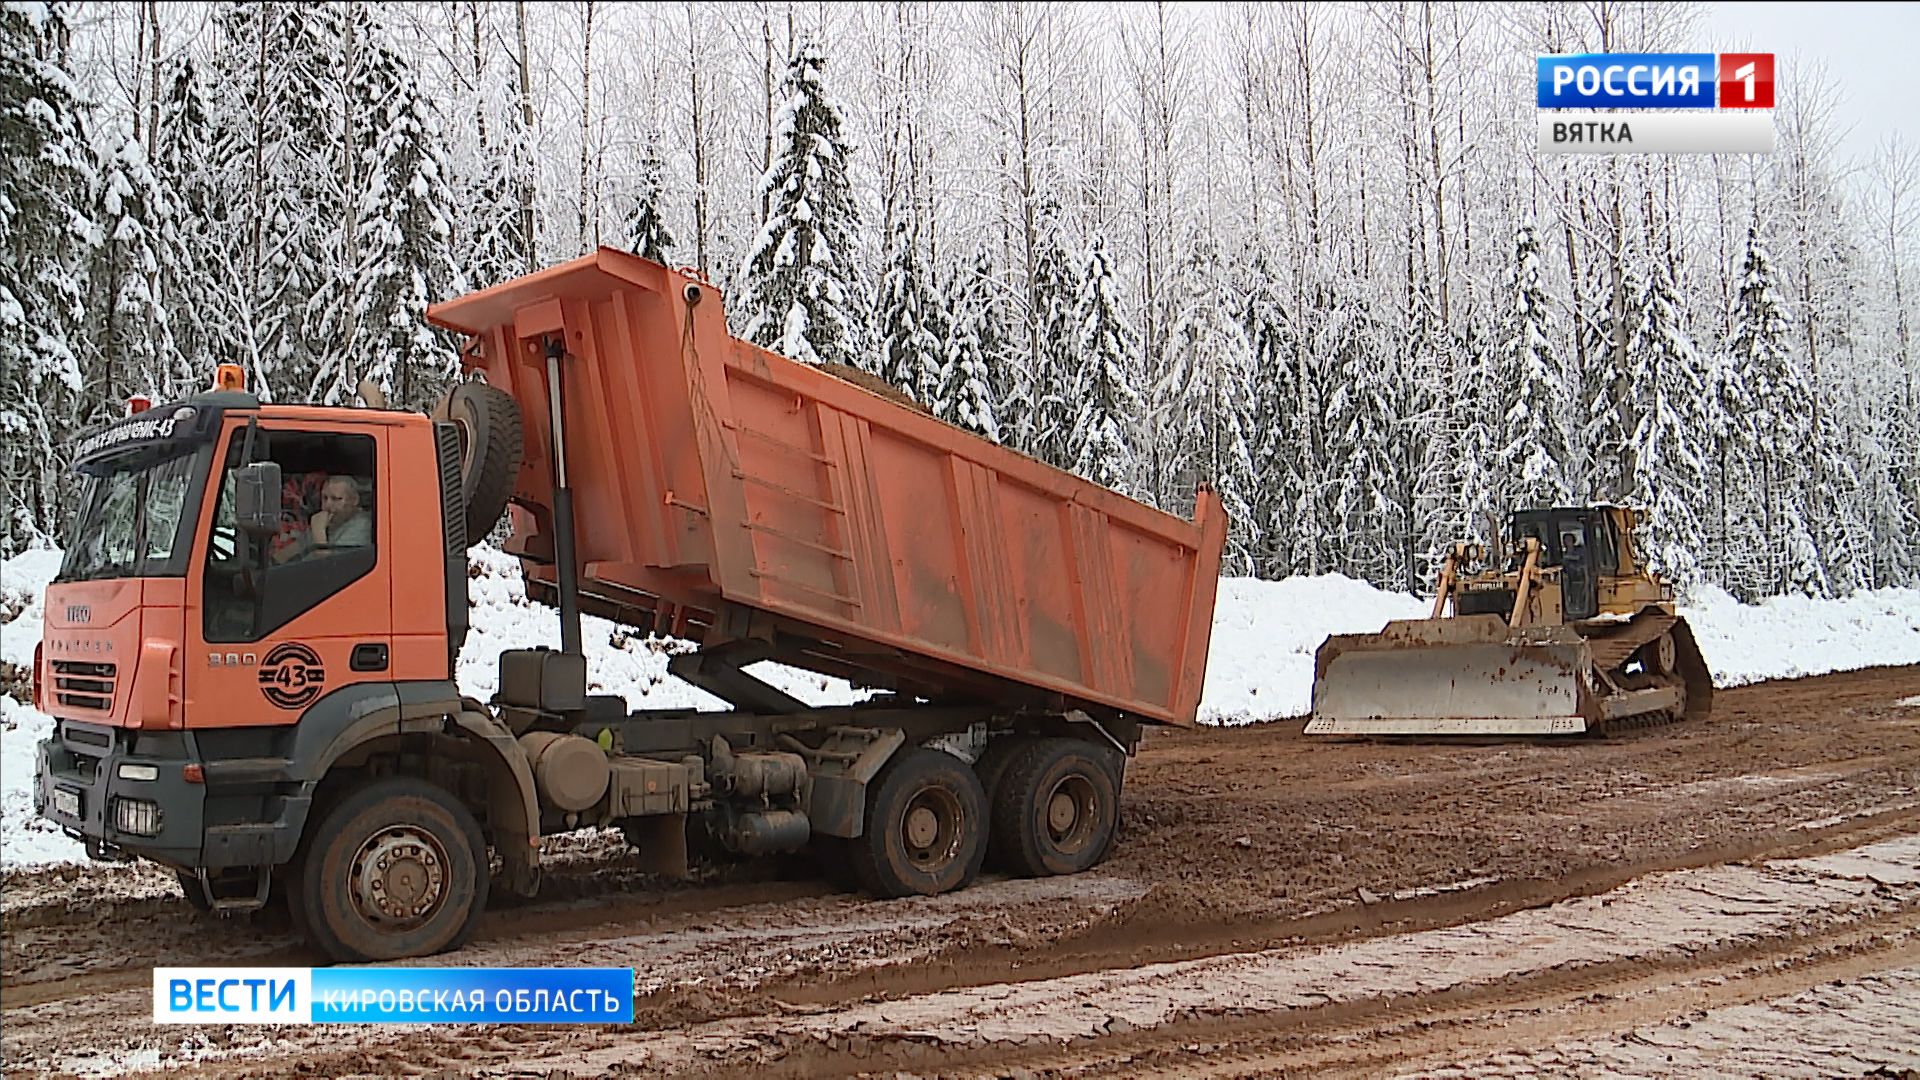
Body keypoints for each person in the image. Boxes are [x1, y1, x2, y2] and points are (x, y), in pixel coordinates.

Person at [309, 476, 372, 551]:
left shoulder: (362, 526)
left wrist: (318, 533)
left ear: (354, 500)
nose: (327, 505)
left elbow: (332, 558)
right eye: (325, 498)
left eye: (335, 499)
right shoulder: (328, 522)